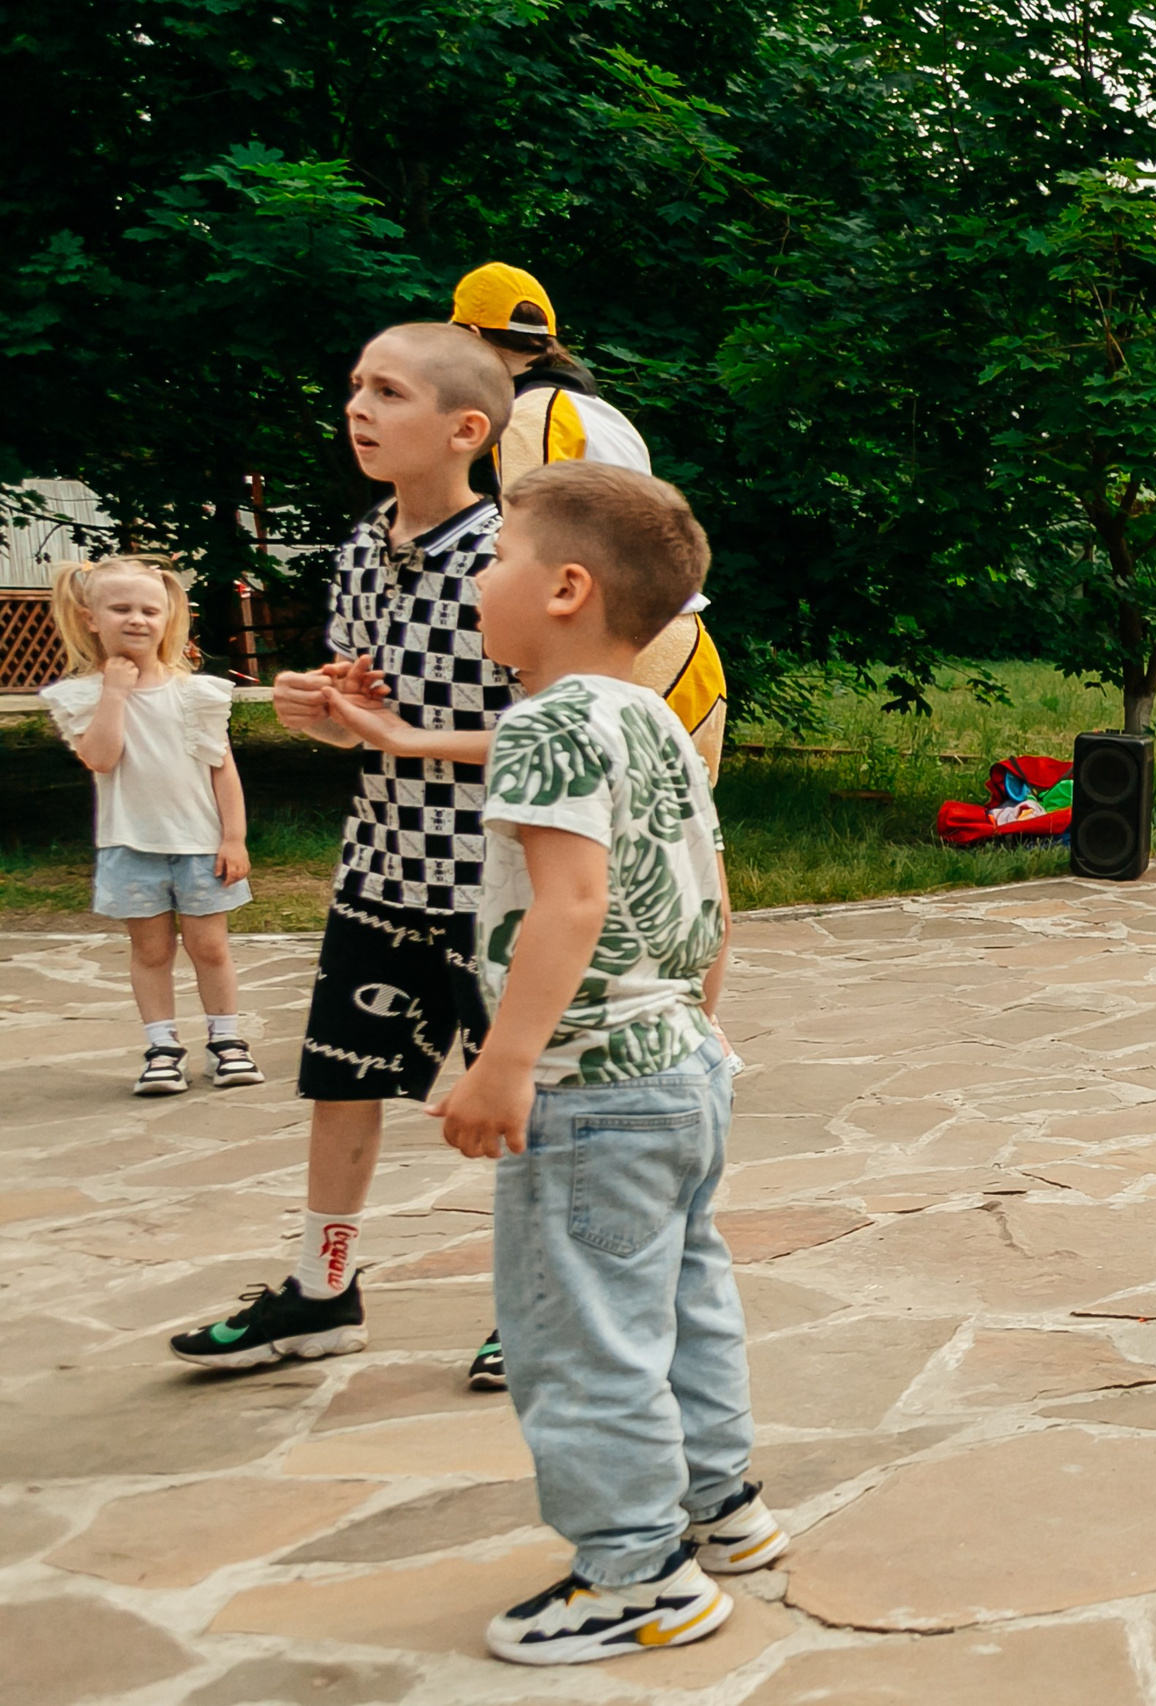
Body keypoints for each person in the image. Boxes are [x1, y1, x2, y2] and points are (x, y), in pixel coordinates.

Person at [403, 459, 778, 1665]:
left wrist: (505, 1061)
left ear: (565, 587)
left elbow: (568, 904)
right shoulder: (650, 718)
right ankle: (723, 1507)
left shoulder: (548, 723)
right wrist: (703, 1024)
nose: (479, 576)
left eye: (496, 555)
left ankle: (633, 1573)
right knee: (681, 1302)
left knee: (577, 1333)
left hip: (591, 1083)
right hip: (681, 1061)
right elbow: (709, 893)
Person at [168, 324, 518, 1371]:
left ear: (465, 428)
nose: (358, 407)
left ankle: (537, 1302)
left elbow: (568, 724)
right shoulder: (362, 544)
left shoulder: (516, 552)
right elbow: (363, 710)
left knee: (518, 1099)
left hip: (501, 878)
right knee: (342, 1079)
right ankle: (324, 1291)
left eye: (388, 391)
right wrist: (314, 705)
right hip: (381, 864)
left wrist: (410, 735)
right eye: (356, 387)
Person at [450, 263, 728, 783]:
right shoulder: (596, 408)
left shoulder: (531, 416)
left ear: (469, 337)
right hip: (678, 646)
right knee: (677, 848)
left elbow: (536, 553)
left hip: (628, 653)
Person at [41, 557, 261, 1096]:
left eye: (149, 610)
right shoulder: (81, 697)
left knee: (210, 948)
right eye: (120, 609)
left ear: (167, 618)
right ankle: (162, 1047)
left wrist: (233, 837)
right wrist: (114, 692)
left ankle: (227, 1041)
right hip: (130, 846)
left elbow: (221, 768)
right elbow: (101, 758)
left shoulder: (195, 694)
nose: (136, 619)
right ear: (91, 618)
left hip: (200, 845)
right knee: (152, 952)